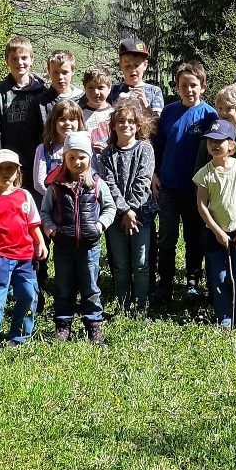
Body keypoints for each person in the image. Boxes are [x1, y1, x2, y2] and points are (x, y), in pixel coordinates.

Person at [41, 132, 117, 344]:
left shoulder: (96, 184)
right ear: (64, 158)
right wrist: (52, 231)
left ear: (89, 158)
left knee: (90, 286)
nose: (76, 161)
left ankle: (93, 324)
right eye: (71, 157)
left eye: (81, 157)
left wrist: (100, 226)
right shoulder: (56, 186)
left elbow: (110, 207)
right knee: (63, 286)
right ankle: (63, 325)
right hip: (63, 246)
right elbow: (45, 211)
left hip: (89, 247)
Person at [153, 61, 217, 304]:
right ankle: (165, 285)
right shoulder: (168, 113)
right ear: (177, 87)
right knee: (167, 237)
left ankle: (192, 282)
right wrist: (155, 174)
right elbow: (158, 147)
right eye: (183, 85)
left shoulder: (209, 115)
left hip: (196, 189)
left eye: (193, 85)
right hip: (168, 185)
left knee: (194, 237)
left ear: (203, 86)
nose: (189, 90)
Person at [0, 149, 47, 353]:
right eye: (0, 169)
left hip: (26, 258)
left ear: (17, 172)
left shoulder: (25, 196)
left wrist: (39, 243)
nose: (6, 172)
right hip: (1, 259)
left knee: (28, 295)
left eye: (10, 168)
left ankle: (19, 337)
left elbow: (33, 224)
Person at [193, 119, 236, 329]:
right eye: (210, 140)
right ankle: (224, 316)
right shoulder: (204, 173)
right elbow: (202, 205)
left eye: (220, 140)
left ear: (232, 145)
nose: (214, 144)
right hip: (215, 234)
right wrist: (216, 231)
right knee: (219, 276)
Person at [99, 100, 157, 316]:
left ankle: (141, 305)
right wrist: (124, 211)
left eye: (131, 121)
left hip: (141, 215)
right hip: (116, 217)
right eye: (121, 121)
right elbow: (109, 185)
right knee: (121, 264)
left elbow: (143, 182)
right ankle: (122, 305)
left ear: (138, 125)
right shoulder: (107, 154)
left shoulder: (145, 149)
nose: (126, 125)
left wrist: (131, 210)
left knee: (141, 263)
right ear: (113, 125)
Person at [0, 36, 47, 177]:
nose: (19, 62)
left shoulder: (42, 91)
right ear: (6, 60)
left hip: (37, 160)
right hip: (8, 160)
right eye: (13, 58)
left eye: (24, 58)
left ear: (31, 60)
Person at [26, 49, 84, 148]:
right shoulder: (40, 102)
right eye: (55, 72)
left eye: (64, 72)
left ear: (73, 71)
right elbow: (30, 136)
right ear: (49, 72)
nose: (60, 77)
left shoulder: (83, 99)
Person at [32, 100, 85, 196]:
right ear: (54, 122)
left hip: (81, 200)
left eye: (72, 119)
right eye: (62, 119)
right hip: (54, 203)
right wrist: (56, 198)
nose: (67, 123)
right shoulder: (44, 149)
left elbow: (92, 176)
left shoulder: (86, 147)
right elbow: (38, 183)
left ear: (79, 122)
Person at [108, 38, 165, 118]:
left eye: (137, 65)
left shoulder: (154, 91)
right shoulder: (112, 91)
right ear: (121, 65)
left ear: (145, 65)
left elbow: (158, 123)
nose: (132, 69)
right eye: (127, 65)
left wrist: (146, 106)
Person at [81, 64, 115, 157]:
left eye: (100, 87)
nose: (96, 92)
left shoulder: (115, 114)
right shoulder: (79, 114)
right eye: (91, 88)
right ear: (84, 88)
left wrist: (108, 149)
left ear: (109, 88)